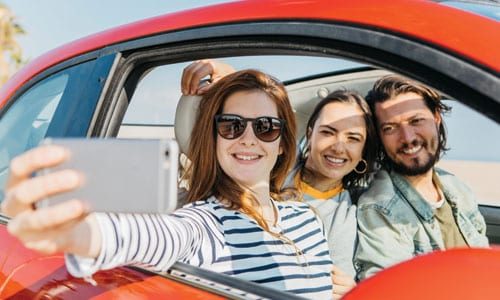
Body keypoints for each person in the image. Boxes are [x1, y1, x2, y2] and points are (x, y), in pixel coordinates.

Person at [2, 70, 334, 299]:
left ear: (282, 142)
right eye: (231, 126)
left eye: (265, 127)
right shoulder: (206, 224)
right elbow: (160, 236)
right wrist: (81, 233)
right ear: (213, 139)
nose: (248, 139)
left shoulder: (307, 218)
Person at [181, 60, 378, 297]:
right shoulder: (270, 163)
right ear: (308, 134)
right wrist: (233, 75)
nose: (338, 146)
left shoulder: (342, 215)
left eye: (353, 138)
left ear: (363, 151)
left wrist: (351, 291)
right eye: (328, 132)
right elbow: (257, 123)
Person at [354, 75, 490, 280]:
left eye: (416, 120)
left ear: (436, 117)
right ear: (380, 137)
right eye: (390, 128)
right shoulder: (379, 208)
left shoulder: (457, 188)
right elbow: (388, 290)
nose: (407, 138)